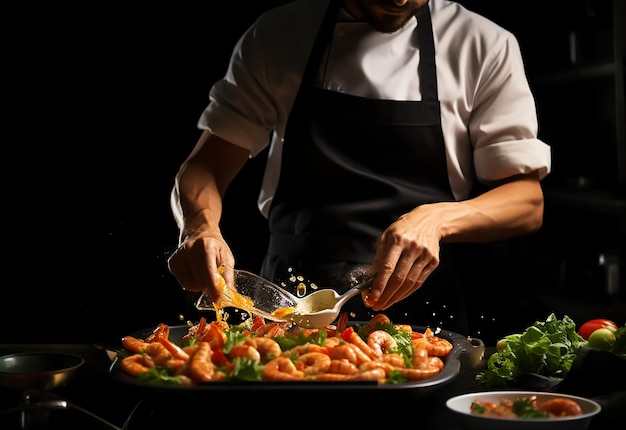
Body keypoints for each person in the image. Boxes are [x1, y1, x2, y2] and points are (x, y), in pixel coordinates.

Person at [167, 0, 551, 335]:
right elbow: (205, 166)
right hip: (288, 308)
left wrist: (437, 220)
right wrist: (200, 227)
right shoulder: (278, 35)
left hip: (425, 311)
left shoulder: (482, 44)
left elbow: (526, 202)